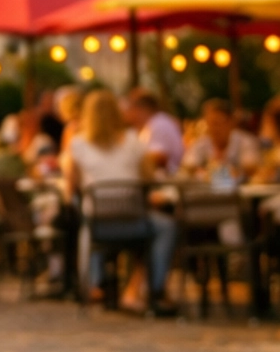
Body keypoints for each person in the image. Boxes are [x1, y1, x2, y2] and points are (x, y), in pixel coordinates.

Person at [63, 86, 177, 314]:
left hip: (98, 226)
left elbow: (70, 190)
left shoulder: (77, 145)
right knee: (167, 227)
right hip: (136, 223)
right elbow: (149, 179)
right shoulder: (134, 142)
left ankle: (97, 282)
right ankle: (155, 289)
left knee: (83, 218)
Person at [181, 97, 260, 186]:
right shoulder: (202, 143)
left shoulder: (245, 141)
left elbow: (250, 168)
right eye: (209, 123)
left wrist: (208, 172)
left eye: (217, 122)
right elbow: (188, 165)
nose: (213, 128)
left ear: (231, 122)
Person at [122, 86, 183, 176]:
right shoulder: (153, 124)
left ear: (141, 109)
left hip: (167, 181)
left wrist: (127, 157)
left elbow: (161, 158)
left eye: (131, 109)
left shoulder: (158, 124)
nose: (127, 114)